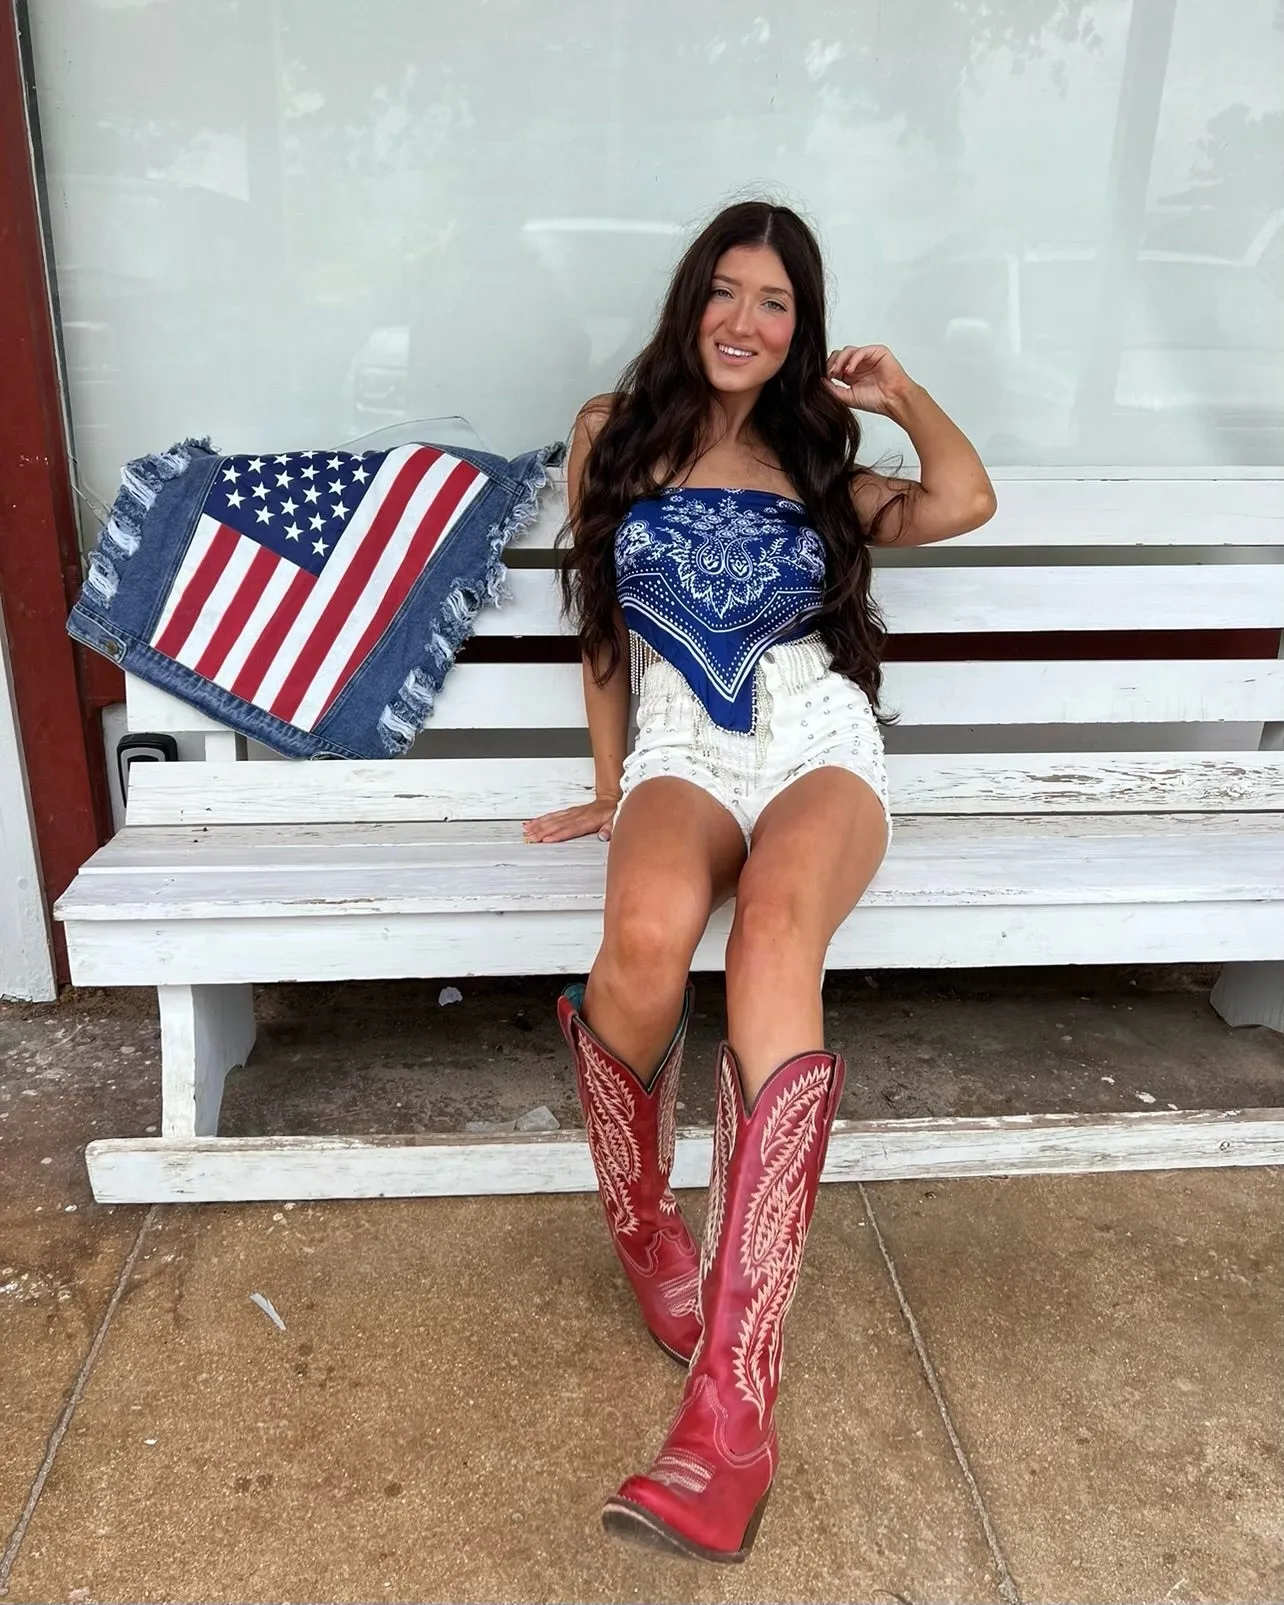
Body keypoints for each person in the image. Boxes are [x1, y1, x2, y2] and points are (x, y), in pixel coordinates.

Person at [522, 199, 997, 1564]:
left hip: (816, 741)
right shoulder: (614, 431)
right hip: (682, 740)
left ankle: (734, 1410)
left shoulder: (819, 457)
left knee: (773, 939)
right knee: (646, 936)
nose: (746, 320)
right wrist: (615, 788)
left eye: (776, 302)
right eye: (726, 292)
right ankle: (642, 1224)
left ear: (804, 328)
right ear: (692, 303)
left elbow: (964, 499)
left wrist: (900, 394)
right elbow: (605, 637)